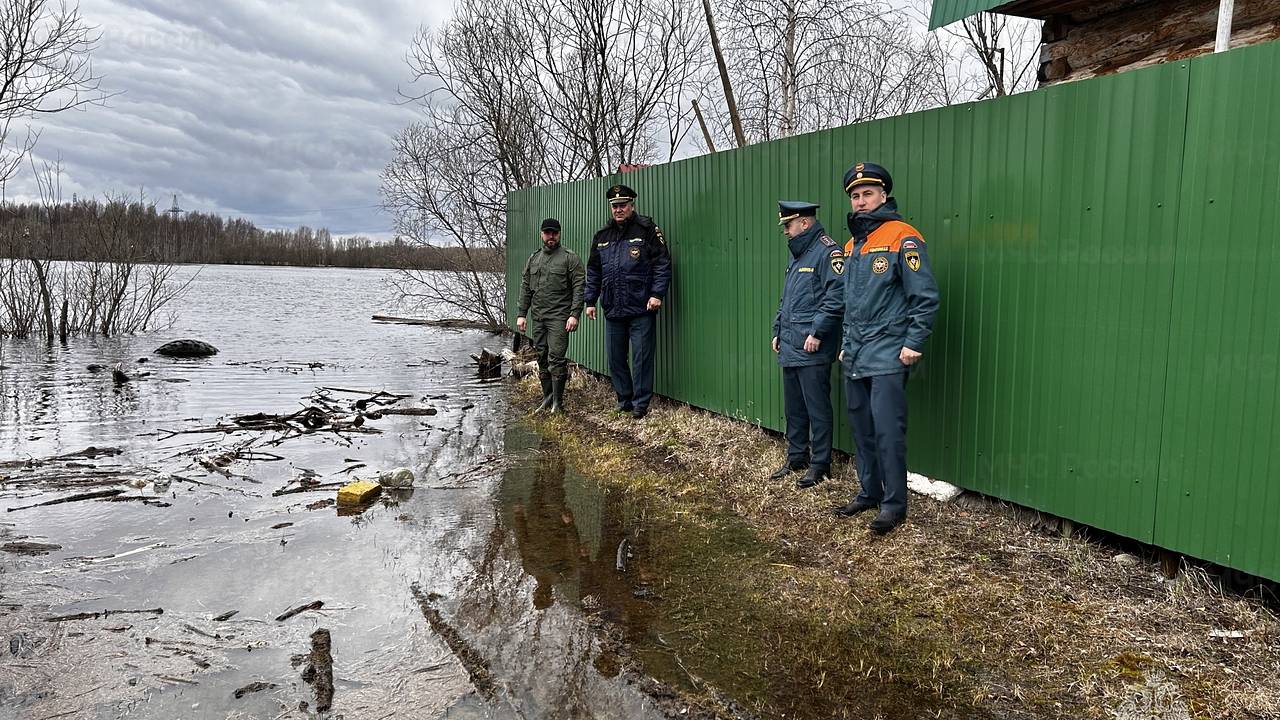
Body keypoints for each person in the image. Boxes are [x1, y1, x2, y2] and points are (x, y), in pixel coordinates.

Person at [833, 162, 939, 535]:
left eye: (867, 194)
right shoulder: (852, 245)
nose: (861, 202)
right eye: (855, 196)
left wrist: (913, 343)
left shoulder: (903, 237)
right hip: (857, 355)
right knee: (861, 428)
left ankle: (894, 505)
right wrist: (846, 346)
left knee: (887, 431)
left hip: (890, 352)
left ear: (883, 196)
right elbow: (850, 303)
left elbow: (924, 296)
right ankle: (869, 491)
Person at [769, 201, 844, 489]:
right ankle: (797, 457)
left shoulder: (828, 252)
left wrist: (817, 332)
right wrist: (778, 330)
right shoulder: (799, 253)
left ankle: (820, 464)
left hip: (812, 346)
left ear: (804, 223)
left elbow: (836, 297)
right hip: (791, 343)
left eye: (788, 225)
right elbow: (788, 298)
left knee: (817, 408)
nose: (785, 231)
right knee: (795, 408)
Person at [583, 184, 672, 420]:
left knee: (641, 358)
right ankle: (624, 399)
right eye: (615, 206)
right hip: (613, 307)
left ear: (632, 205)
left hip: (641, 306)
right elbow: (593, 270)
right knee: (615, 358)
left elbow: (662, 263)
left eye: (622, 205)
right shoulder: (602, 236)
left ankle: (641, 404)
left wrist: (657, 295)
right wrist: (590, 300)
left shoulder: (647, 230)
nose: (618, 209)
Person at [516, 217, 585, 413]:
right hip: (538, 317)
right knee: (542, 356)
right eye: (547, 233)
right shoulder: (534, 258)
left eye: (554, 233)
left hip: (559, 317)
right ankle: (548, 398)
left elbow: (579, 287)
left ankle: (558, 403)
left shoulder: (569, 258)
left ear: (559, 234)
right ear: (541, 234)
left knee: (556, 357)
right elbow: (525, 287)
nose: (551, 237)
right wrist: (522, 314)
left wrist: (574, 315)